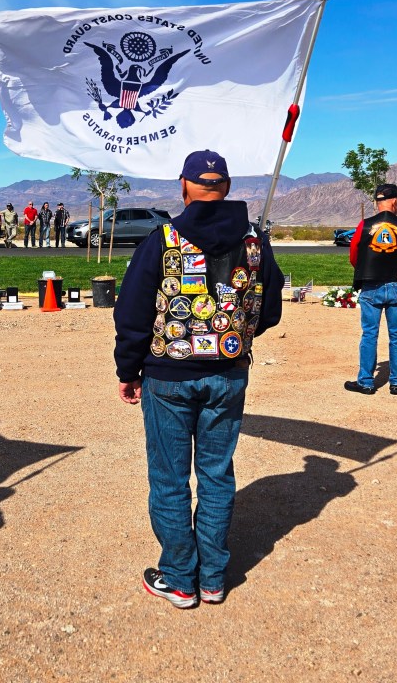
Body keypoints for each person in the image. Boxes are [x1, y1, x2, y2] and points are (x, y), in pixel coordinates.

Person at [113, 149, 284, 608]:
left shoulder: (162, 239)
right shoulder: (256, 242)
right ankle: (211, 577)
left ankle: (179, 577)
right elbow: (269, 310)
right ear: (225, 188)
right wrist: (234, 334)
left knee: (170, 479)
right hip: (228, 374)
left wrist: (128, 370)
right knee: (216, 475)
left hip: (168, 375)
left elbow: (131, 313)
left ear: (184, 186)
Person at [345, 183, 397, 396]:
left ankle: (366, 382)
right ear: (395, 201)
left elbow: (354, 256)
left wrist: (368, 271)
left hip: (371, 285)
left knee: (369, 334)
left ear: (377, 202)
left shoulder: (364, 225)